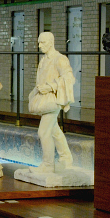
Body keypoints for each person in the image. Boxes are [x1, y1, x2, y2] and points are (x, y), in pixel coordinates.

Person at [27, 32, 76, 173]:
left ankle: (48, 165)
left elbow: (69, 78)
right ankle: (66, 158)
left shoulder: (59, 59)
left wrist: (50, 86)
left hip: (52, 101)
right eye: (39, 42)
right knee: (55, 131)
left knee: (43, 132)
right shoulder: (44, 60)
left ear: (51, 42)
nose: (39, 45)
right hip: (44, 100)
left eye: (42, 42)